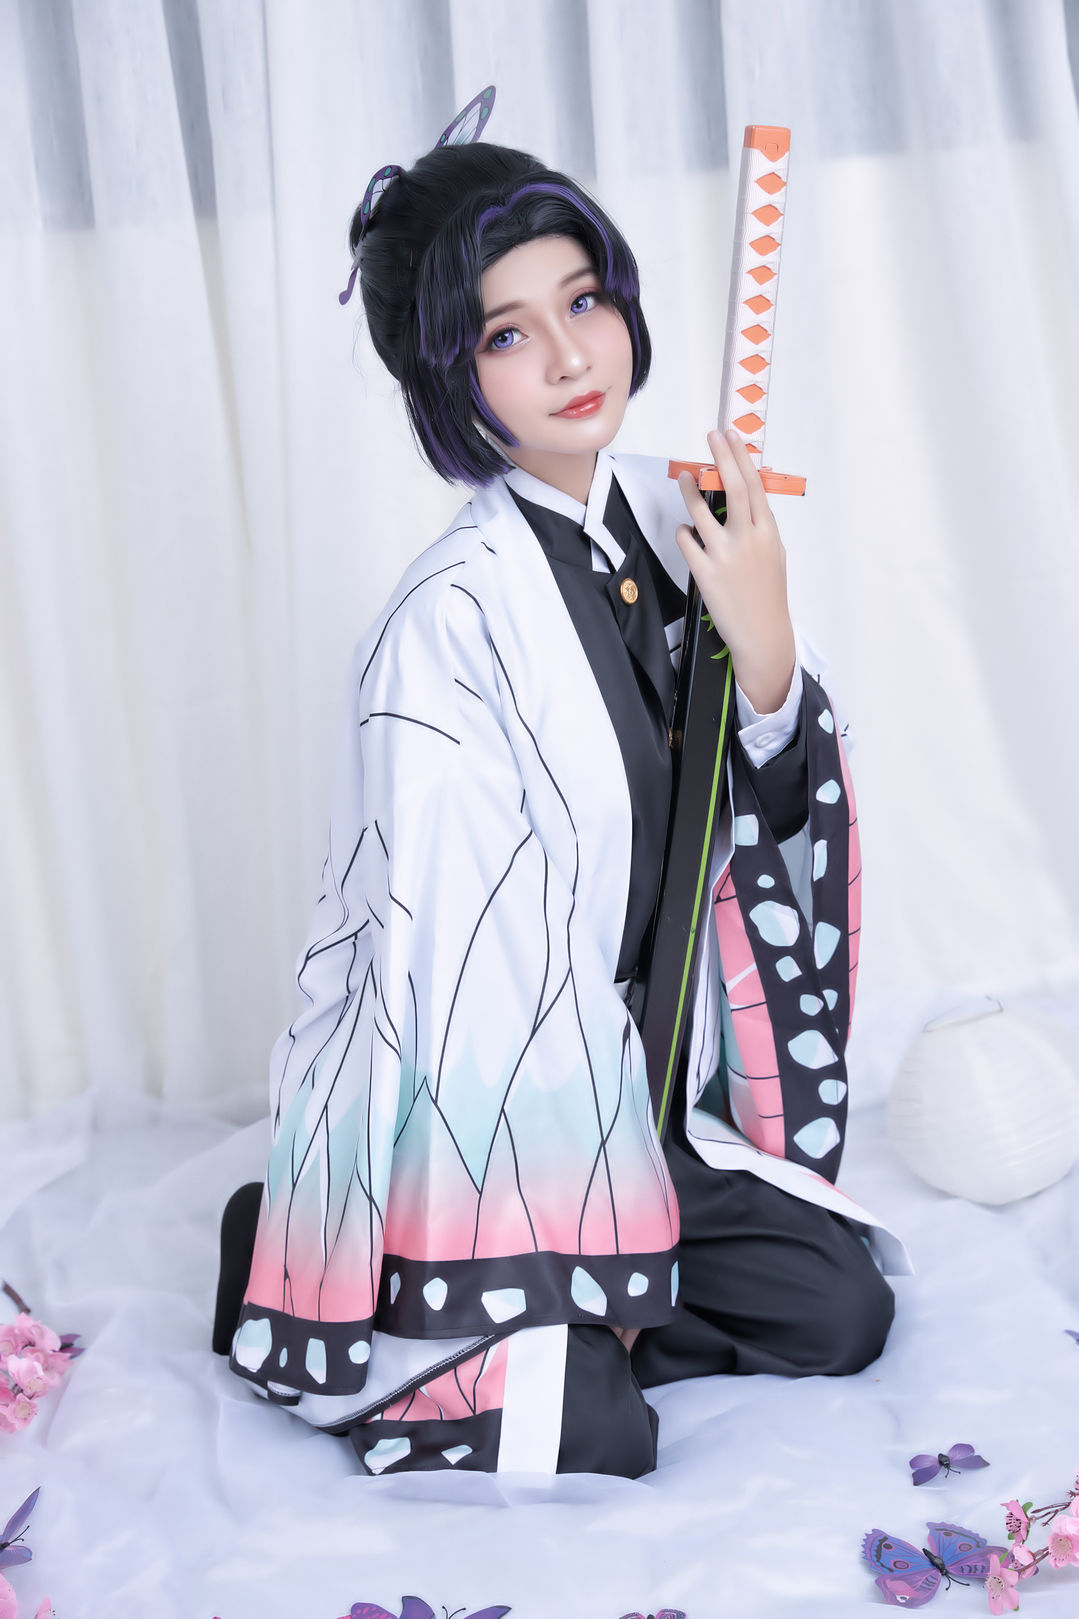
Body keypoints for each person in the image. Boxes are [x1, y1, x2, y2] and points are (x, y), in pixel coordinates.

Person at [214, 93, 901, 1479]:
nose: (572, 355)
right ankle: (301, 1248)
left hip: (650, 1102)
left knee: (840, 1309)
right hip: (496, 1134)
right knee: (594, 1432)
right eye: (506, 335)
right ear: (447, 380)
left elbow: (772, 813)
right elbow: (461, 963)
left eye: (583, 300)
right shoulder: (442, 627)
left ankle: (607, 1292)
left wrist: (764, 637)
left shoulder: (687, 516)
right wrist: (589, 1230)